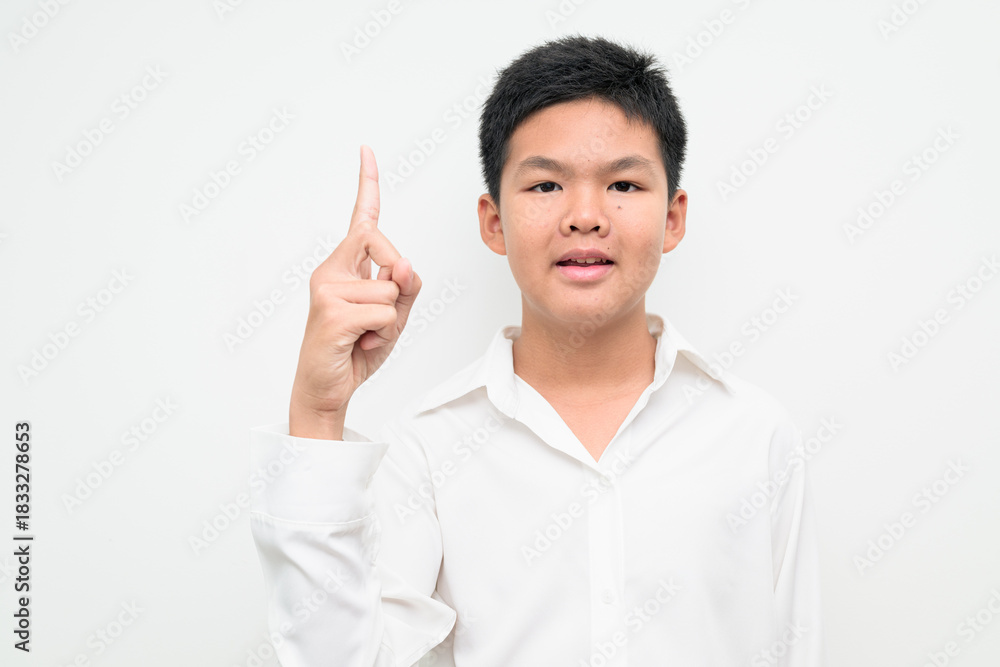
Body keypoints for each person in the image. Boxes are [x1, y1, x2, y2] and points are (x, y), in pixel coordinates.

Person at [249, 34, 824, 666]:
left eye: (624, 184)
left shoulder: (755, 436)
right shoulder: (426, 450)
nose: (585, 216)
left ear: (673, 218)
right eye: (546, 185)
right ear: (494, 222)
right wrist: (318, 413)